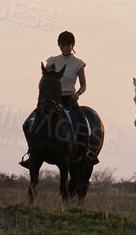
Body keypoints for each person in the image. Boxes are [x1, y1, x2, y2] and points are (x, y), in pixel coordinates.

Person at [22, 30, 94, 166]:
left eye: (68, 45)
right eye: (62, 45)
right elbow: (43, 81)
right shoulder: (52, 61)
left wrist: (77, 94)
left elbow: (84, 85)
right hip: (51, 100)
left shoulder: (78, 64)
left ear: (73, 45)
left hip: (69, 100)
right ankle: (32, 151)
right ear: (59, 45)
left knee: (83, 125)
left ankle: (86, 152)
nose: (65, 48)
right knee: (27, 124)